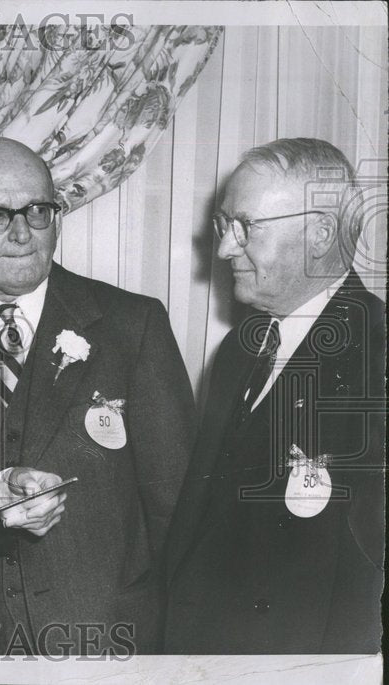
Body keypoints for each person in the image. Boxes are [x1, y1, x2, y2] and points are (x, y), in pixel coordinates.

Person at [0, 138, 195, 655]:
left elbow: (177, 511)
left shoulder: (133, 326)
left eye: (38, 211)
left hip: (105, 645)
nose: (21, 233)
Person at [165, 138, 385, 653]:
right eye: (224, 224)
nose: (223, 248)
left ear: (320, 234)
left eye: (246, 227)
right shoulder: (241, 348)